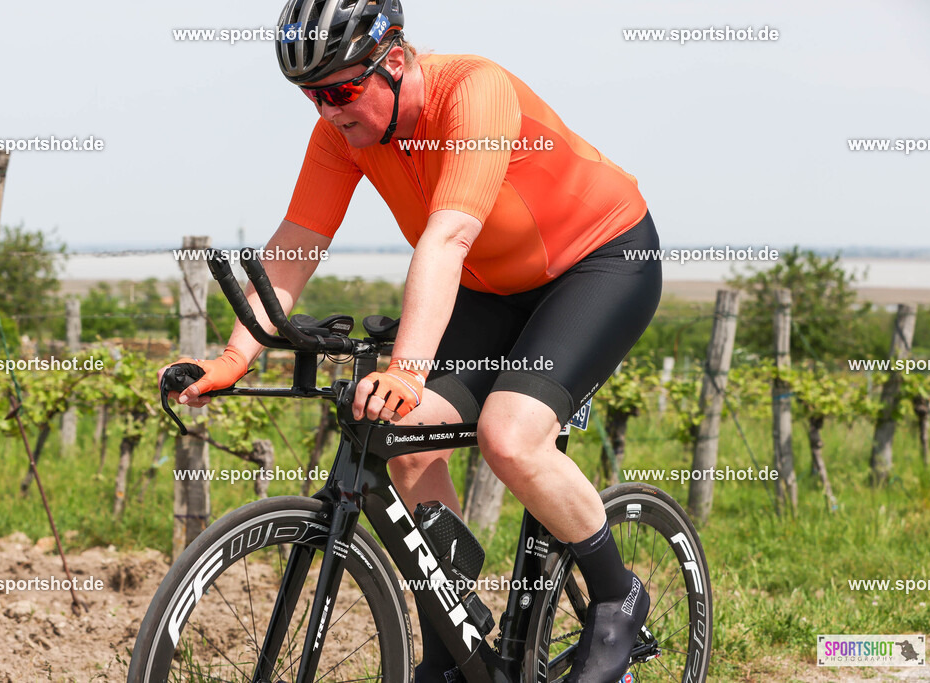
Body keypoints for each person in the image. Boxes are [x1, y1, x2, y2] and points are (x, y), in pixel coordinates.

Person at [162, 1, 662, 681]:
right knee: (401, 435)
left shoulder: (473, 91)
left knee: (510, 437)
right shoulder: (341, 132)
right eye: (311, 95)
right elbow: (298, 241)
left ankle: (616, 595)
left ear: (393, 61)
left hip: (599, 262)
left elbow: (447, 238)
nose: (327, 110)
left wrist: (407, 368)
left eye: (340, 90)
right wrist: (233, 355)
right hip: (490, 285)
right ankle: (456, 642)